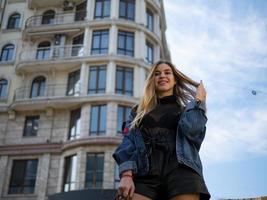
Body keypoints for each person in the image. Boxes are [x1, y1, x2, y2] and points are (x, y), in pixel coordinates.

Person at [113, 60, 210, 200]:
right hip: (144, 174)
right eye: (157, 74)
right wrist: (126, 175)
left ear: (175, 80)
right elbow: (128, 141)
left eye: (167, 72)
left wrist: (199, 101)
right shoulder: (137, 112)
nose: (162, 76)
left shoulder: (186, 110)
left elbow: (193, 131)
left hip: (182, 173)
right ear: (152, 80)